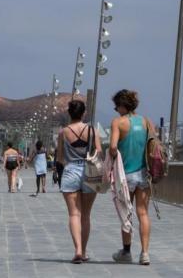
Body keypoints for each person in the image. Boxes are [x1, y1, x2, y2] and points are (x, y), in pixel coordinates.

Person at [109, 89, 156, 266]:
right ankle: (145, 253)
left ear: (122, 105)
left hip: (125, 176)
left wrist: (114, 154)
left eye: (116, 106)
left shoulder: (118, 123)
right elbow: (153, 146)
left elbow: (113, 147)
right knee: (143, 212)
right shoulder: (146, 122)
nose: (116, 110)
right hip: (144, 174)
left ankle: (126, 252)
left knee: (126, 214)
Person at [57, 100, 101, 264]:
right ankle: (84, 251)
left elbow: (60, 157)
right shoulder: (92, 130)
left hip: (70, 171)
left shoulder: (63, 132)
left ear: (69, 113)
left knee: (74, 213)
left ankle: (77, 250)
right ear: (84, 114)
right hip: (89, 172)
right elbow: (99, 152)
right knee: (86, 215)